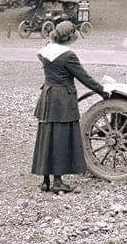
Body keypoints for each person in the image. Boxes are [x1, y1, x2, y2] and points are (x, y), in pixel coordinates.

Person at [32, 19, 110, 194]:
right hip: (63, 100)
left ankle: (45, 181)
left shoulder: (45, 51)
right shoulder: (68, 56)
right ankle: (58, 182)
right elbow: (84, 77)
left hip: (47, 96)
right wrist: (102, 90)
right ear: (69, 38)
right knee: (60, 137)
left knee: (47, 135)